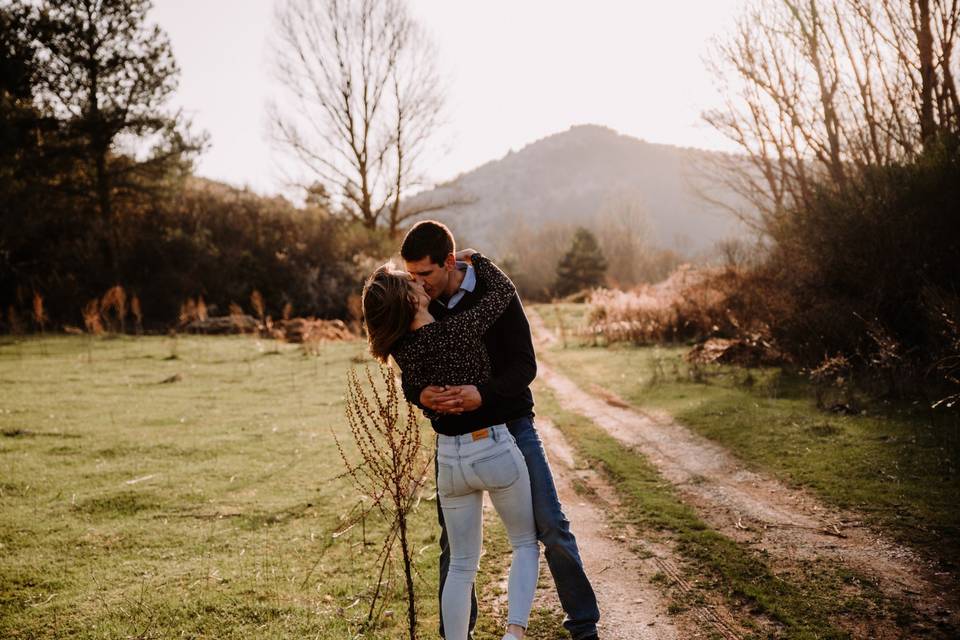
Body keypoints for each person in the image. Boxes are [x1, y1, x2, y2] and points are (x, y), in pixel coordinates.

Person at [399, 221, 600, 640]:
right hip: (453, 439)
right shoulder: (419, 303)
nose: (417, 283)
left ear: (449, 262)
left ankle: (584, 626)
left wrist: (482, 394)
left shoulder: (494, 297)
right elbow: (411, 372)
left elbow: (526, 366)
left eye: (425, 274)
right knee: (452, 549)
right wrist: (423, 397)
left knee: (551, 526)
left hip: (512, 424)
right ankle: (457, 634)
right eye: (411, 274)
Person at [362, 250, 538, 640]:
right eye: (411, 282)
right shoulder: (457, 328)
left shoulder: (402, 350)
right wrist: (480, 261)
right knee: (525, 543)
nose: (420, 283)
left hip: (451, 459)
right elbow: (503, 293)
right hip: (492, 446)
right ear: (411, 300)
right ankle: (514, 634)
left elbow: (412, 385)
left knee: (461, 565)